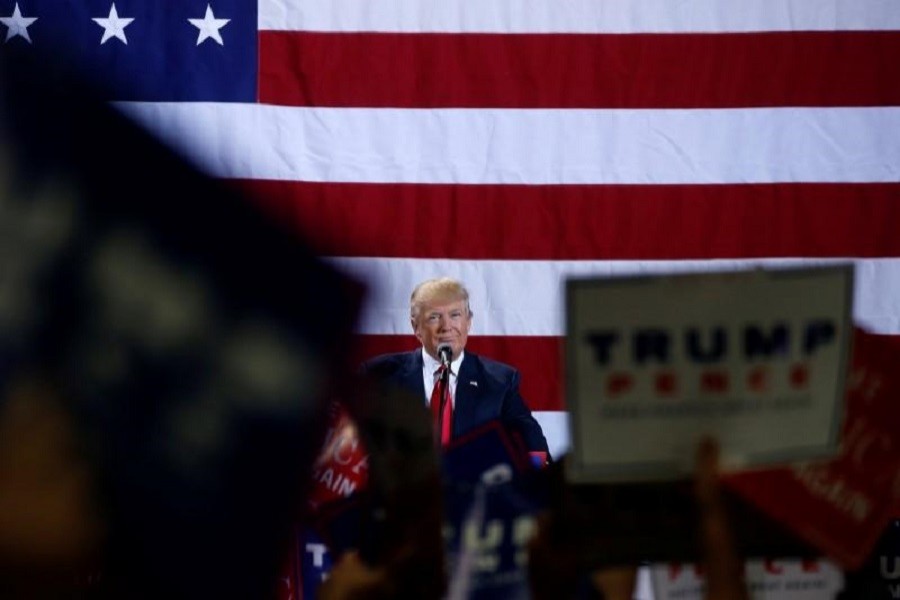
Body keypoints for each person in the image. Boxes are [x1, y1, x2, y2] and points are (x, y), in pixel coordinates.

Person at [361, 277, 549, 456]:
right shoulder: (380, 375)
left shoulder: (499, 381)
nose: (446, 326)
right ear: (416, 327)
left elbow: (535, 449)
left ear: (468, 322)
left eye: (455, 315)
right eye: (434, 317)